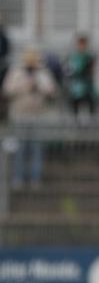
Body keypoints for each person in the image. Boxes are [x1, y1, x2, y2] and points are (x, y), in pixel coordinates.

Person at [2, 48, 57, 189]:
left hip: (37, 116)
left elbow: (52, 90)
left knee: (36, 148)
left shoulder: (43, 73)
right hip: (20, 116)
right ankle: (18, 178)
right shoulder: (16, 72)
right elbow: (7, 90)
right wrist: (24, 86)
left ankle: (35, 178)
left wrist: (38, 86)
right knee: (19, 149)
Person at [65, 34, 96, 120]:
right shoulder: (72, 58)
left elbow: (91, 72)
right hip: (75, 89)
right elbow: (69, 72)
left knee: (90, 111)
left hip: (87, 88)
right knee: (75, 111)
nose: (82, 46)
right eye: (80, 44)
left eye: (83, 44)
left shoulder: (89, 58)